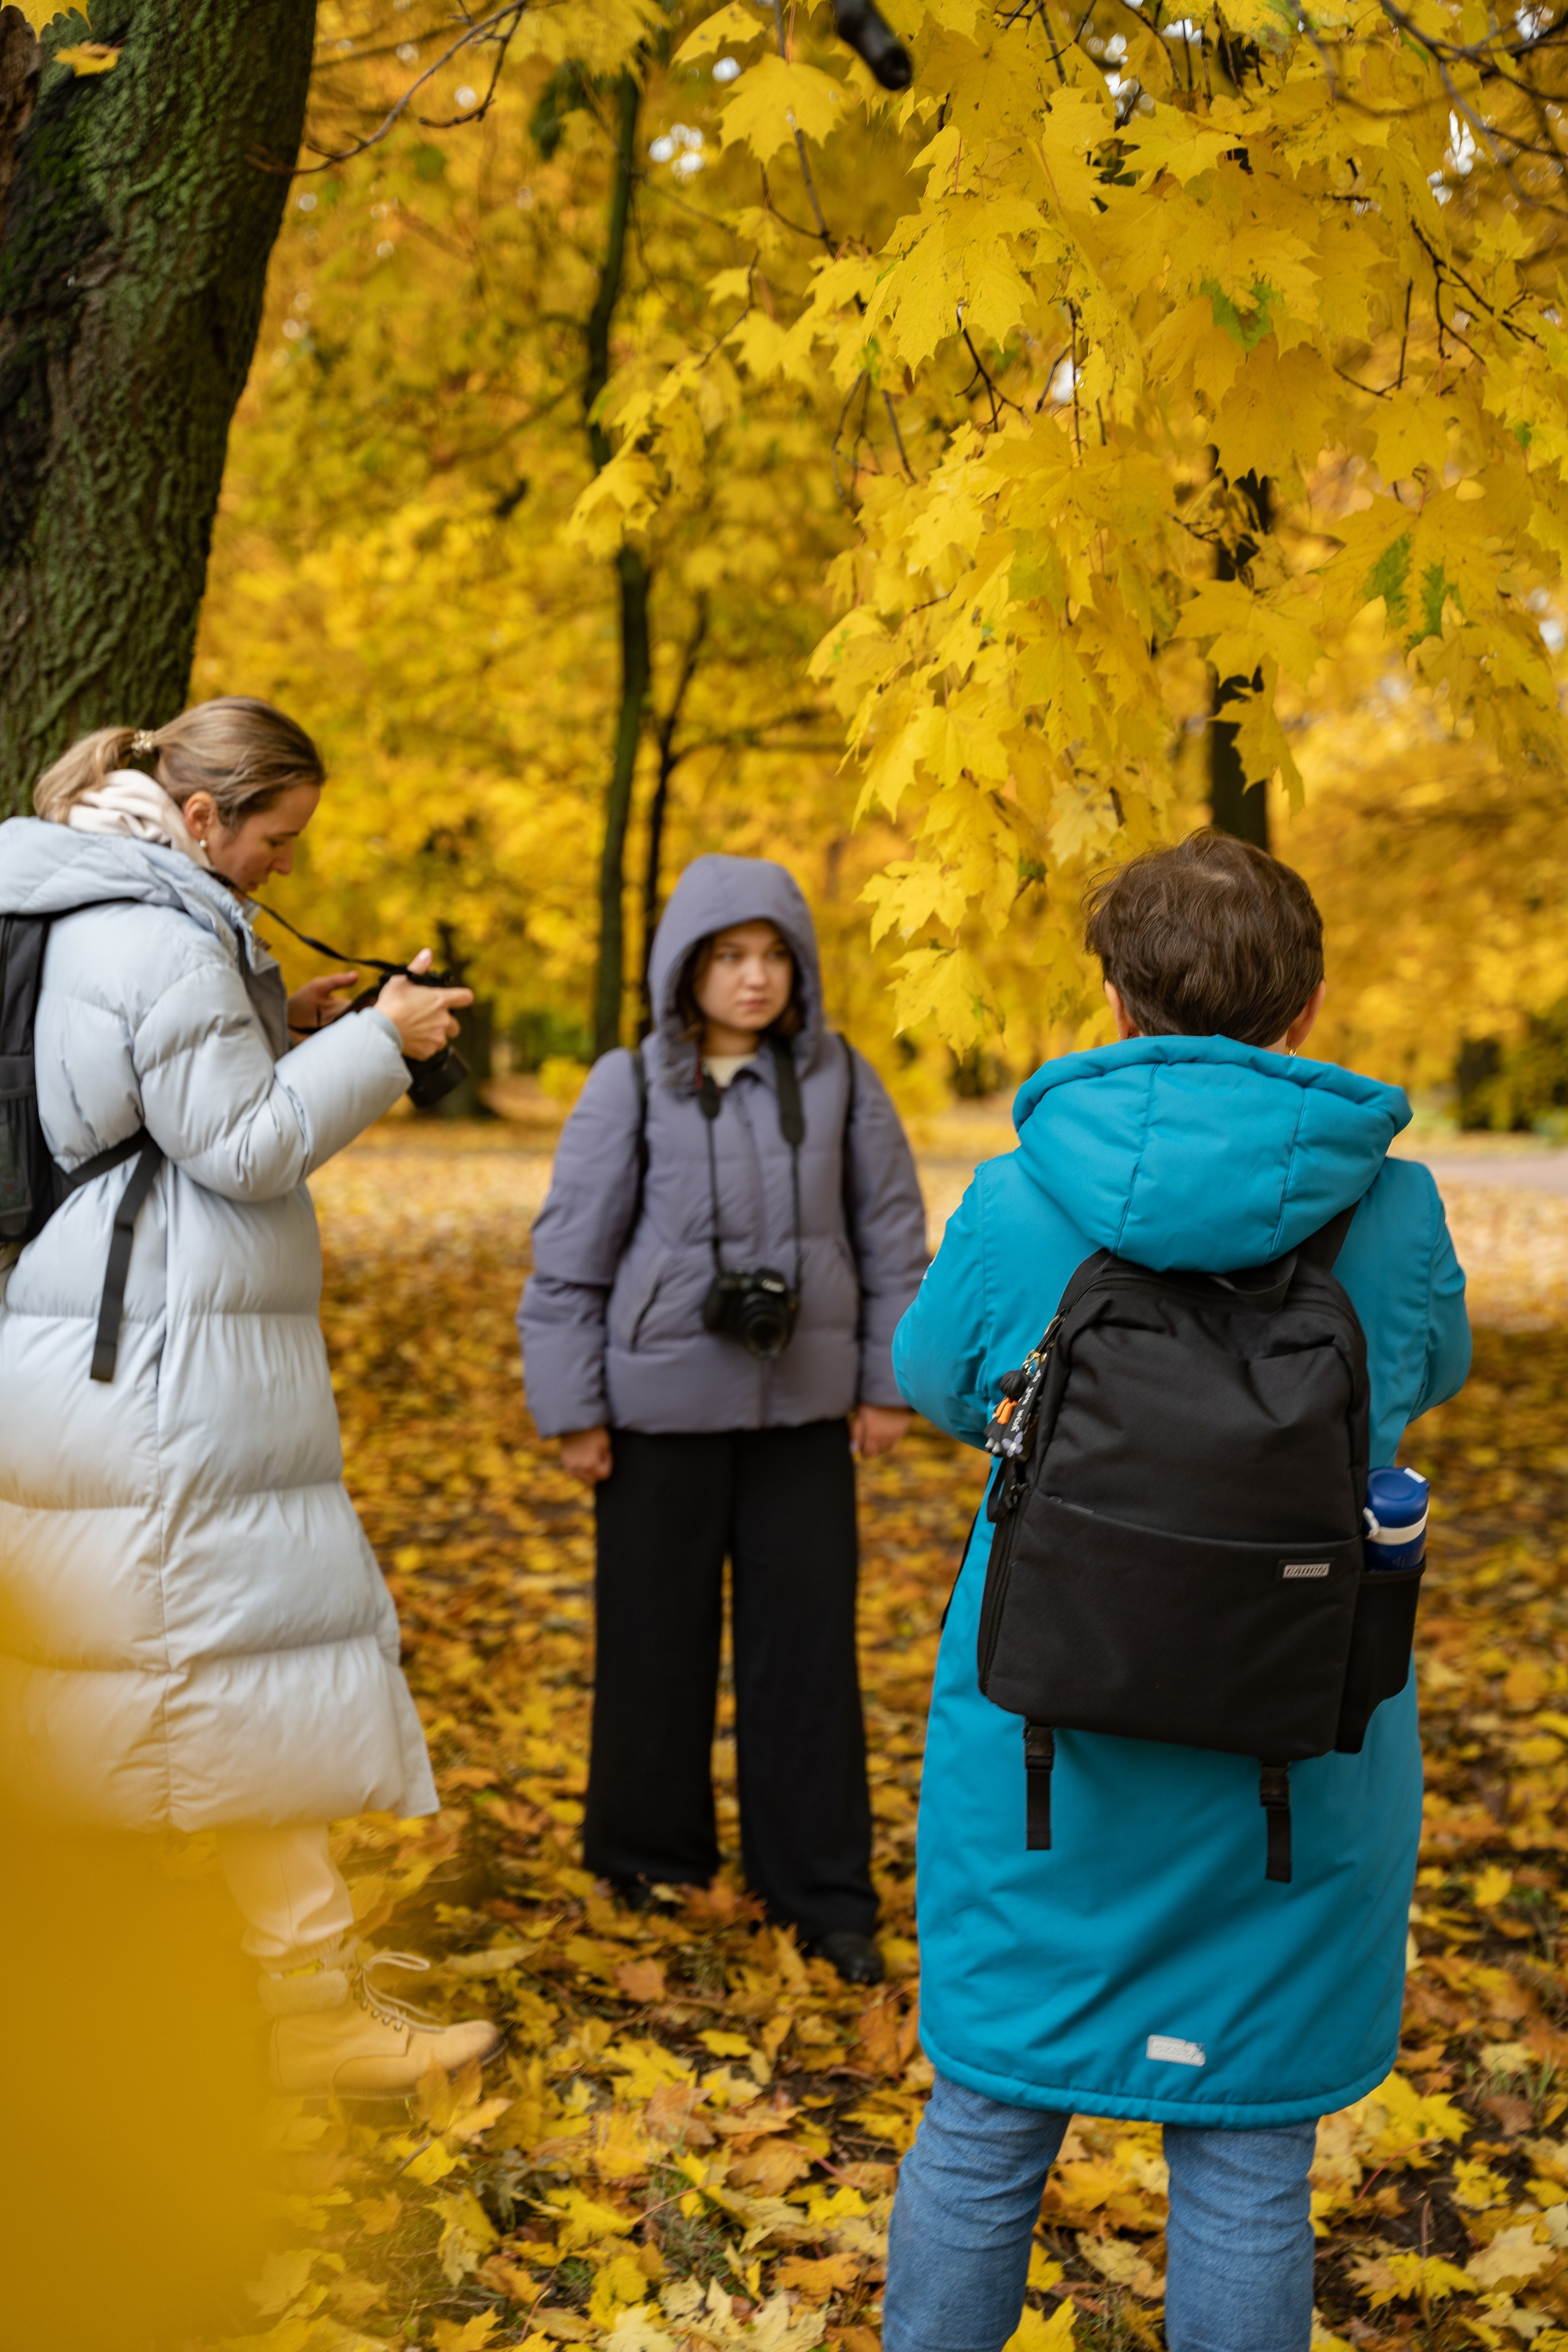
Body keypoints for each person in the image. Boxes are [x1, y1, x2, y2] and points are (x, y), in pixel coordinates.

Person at [883, 832, 1471, 2352]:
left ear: (1110, 990)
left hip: (1043, 1749)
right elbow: (1422, 1380)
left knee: (986, 2129)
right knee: (1242, 2167)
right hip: (1296, 1744)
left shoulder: (1021, 1199)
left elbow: (935, 1381)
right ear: (1309, 1001)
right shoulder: (1391, 1213)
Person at [0, 698, 500, 2098]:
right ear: (205, 817)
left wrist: (289, 1020)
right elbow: (240, 1145)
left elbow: (150, 1093)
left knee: (149, 1680)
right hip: (159, 1353)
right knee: (223, 1670)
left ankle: (132, 2007)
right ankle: (298, 2013)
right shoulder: (158, 929)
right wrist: (384, 1043)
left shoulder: (103, 901)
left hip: (114, 1334)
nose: (287, 863)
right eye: (277, 836)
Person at [519, 854, 929, 1983]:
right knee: (654, 1648)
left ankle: (821, 1893)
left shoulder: (842, 1077)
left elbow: (893, 1235)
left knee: (806, 1660)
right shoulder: (626, 1085)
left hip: (804, 1415)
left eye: (773, 958)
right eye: (730, 958)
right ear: (685, 970)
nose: (755, 981)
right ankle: (647, 1866)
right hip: (655, 1417)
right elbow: (570, 1259)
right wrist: (573, 1409)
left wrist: (887, 1382)